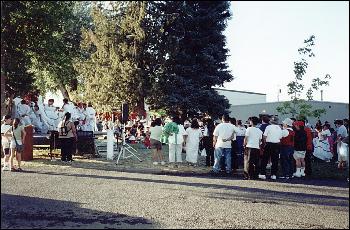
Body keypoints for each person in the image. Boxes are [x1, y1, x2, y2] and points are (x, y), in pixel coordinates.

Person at [259, 116, 283, 180]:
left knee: (265, 159)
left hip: (269, 144)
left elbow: (264, 136)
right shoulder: (279, 128)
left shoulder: (268, 127)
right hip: (276, 144)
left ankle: (263, 174)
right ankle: (274, 174)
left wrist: (264, 144)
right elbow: (280, 137)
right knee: (275, 160)